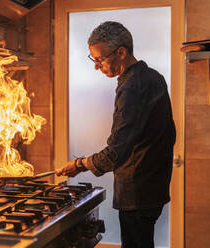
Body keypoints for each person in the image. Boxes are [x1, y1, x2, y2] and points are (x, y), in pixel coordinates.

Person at [56, 21, 176, 248]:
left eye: (99, 59)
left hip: (138, 192)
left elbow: (116, 151)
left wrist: (80, 164)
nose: (96, 67)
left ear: (121, 52)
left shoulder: (132, 87)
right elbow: (169, 134)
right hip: (153, 187)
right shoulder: (153, 77)